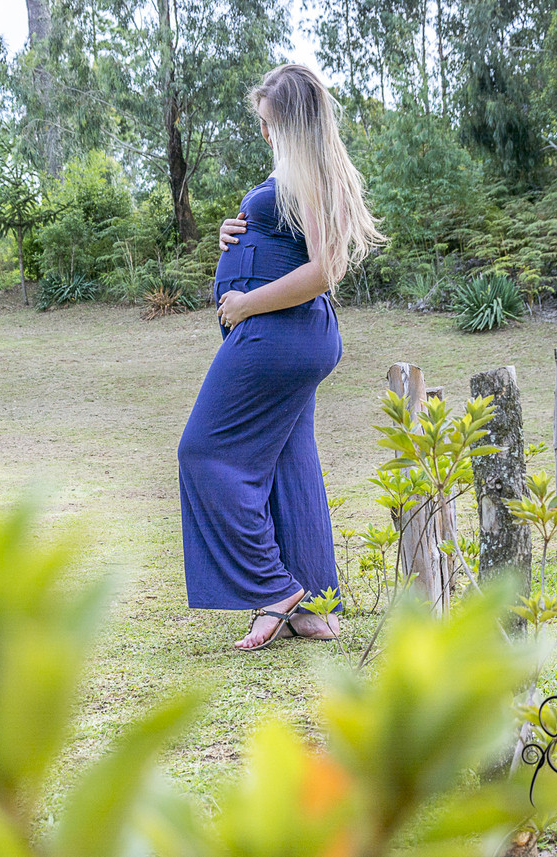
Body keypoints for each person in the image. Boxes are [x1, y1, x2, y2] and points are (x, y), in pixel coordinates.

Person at [177, 63, 387, 651]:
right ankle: (313, 606)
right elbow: (286, 234)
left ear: (292, 122)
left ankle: (272, 587)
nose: (264, 133)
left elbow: (325, 270)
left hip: (279, 334)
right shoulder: (299, 173)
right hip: (295, 339)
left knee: (203, 453)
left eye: (270, 123)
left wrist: (243, 305)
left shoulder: (313, 176)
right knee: (291, 462)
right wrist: (236, 231)